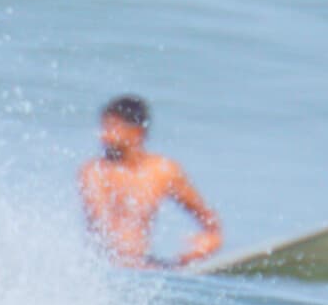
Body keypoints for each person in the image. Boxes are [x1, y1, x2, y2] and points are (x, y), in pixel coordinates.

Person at [79, 95, 222, 268]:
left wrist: (202, 248)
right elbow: (103, 227)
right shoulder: (94, 171)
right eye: (104, 128)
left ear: (137, 132)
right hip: (106, 266)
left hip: (147, 267)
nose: (104, 137)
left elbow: (211, 225)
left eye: (112, 128)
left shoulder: (163, 171)